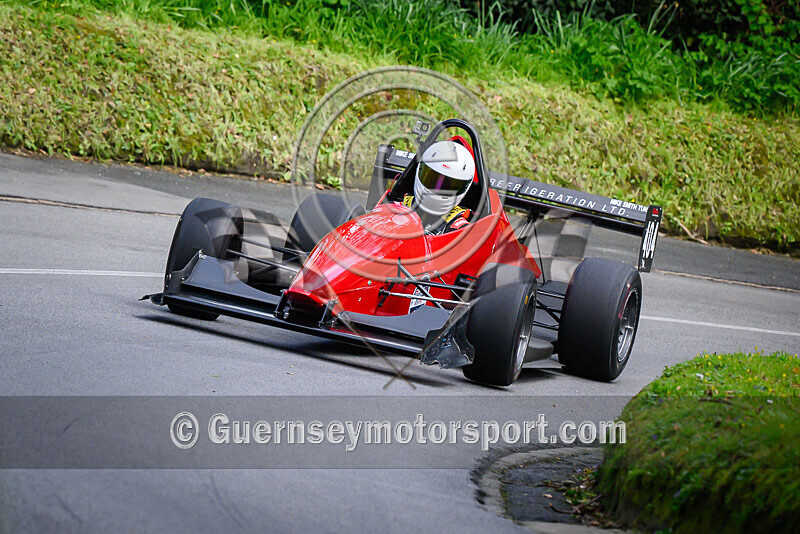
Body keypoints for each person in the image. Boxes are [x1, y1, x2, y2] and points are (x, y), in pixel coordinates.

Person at [401, 140, 476, 235]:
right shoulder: (396, 207)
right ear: (419, 170)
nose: (437, 189)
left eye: (448, 186)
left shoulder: (460, 230)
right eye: (432, 179)